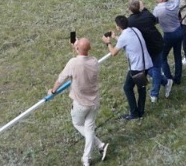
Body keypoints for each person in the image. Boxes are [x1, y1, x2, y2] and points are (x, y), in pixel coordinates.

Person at [50, 37, 109, 166]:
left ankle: (96, 148)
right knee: (89, 128)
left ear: (77, 48)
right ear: (90, 48)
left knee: (77, 124)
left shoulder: (73, 63)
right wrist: (77, 47)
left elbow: (61, 78)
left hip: (80, 104)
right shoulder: (94, 61)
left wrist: (53, 91)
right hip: (94, 102)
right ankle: (93, 152)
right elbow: (82, 58)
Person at [103, 16, 152, 121]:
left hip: (136, 67)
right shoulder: (135, 30)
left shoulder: (124, 37)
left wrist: (108, 43)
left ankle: (134, 113)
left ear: (118, 27)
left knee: (127, 88)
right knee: (141, 88)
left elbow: (113, 52)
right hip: (146, 63)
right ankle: (141, 111)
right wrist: (115, 37)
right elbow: (126, 40)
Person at [126, 0, 164, 104]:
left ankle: (154, 93)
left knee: (153, 69)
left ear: (129, 9)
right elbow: (154, 20)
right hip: (157, 44)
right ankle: (165, 82)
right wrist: (144, 9)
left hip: (145, 49)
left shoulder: (129, 22)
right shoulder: (146, 14)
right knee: (155, 69)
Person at [153, 0, 183, 94]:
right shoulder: (174, 4)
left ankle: (169, 78)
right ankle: (178, 78)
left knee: (162, 57)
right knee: (177, 55)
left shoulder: (158, 9)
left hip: (168, 35)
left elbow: (154, 21)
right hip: (179, 31)